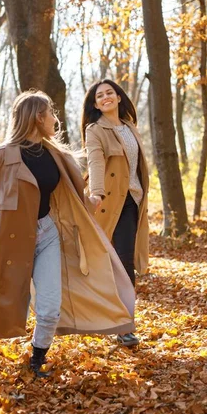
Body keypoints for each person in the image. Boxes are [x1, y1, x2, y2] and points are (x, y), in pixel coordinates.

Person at [0, 90, 136, 377]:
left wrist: (94, 201)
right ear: (37, 117)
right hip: (12, 240)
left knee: (49, 308)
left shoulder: (56, 154)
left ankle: (37, 359)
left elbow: (72, 193)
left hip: (47, 233)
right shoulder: (1, 155)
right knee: (5, 298)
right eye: (51, 113)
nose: (55, 119)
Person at [81, 79, 149, 347]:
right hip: (110, 203)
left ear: (119, 98)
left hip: (133, 201)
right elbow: (95, 161)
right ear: (95, 104)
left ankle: (122, 324)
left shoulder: (131, 127)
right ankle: (122, 327)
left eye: (110, 92)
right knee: (117, 263)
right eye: (100, 95)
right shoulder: (95, 130)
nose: (106, 97)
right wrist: (96, 193)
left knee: (125, 263)